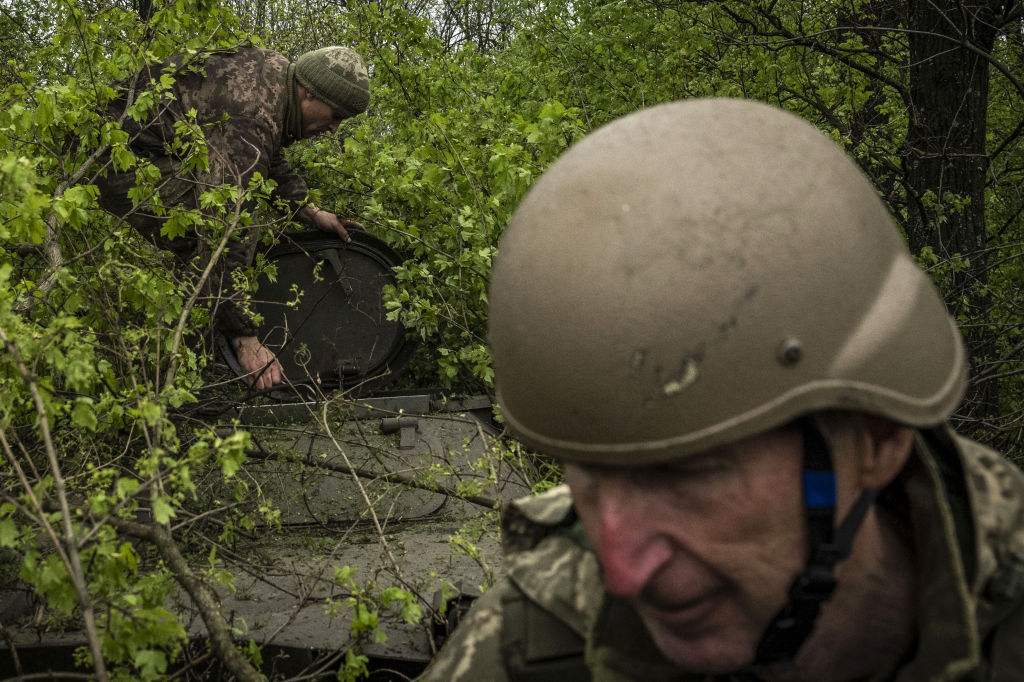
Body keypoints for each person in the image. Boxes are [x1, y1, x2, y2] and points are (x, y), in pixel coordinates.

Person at [419, 99, 1024, 681]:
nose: (622, 571)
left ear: (877, 438)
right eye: (586, 472)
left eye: (687, 475)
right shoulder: (539, 639)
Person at [95, 45, 370, 390]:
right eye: (335, 116)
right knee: (221, 230)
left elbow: (262, 156)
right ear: (308, 92)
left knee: (225, 220)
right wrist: (246, 337)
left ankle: (197, 343)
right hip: (111, 156)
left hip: (140, 145)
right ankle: (191, 368)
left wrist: (308, 211)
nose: (333, 129)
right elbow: (226, 226)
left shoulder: (276, 77)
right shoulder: (251, 110)